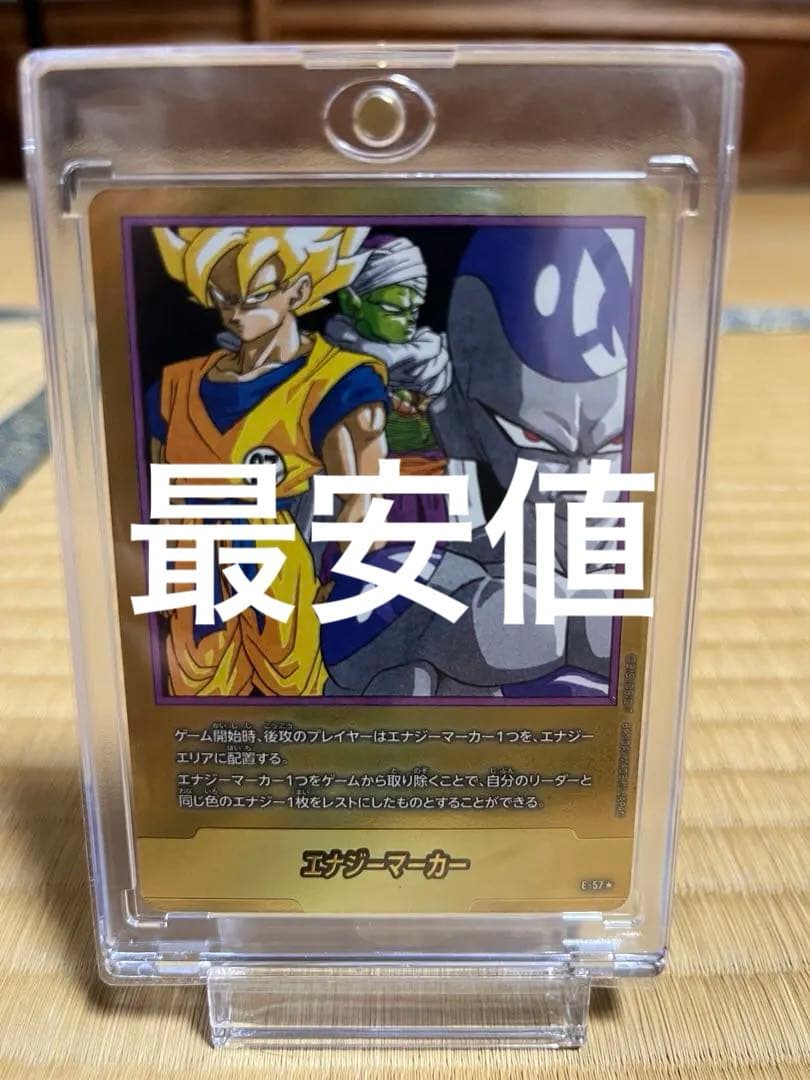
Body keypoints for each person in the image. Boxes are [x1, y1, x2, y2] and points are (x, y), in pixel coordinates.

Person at [146, 224, 388, 696]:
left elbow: (364, 502)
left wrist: (342, 579)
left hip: (278, 571)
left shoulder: (336, 382)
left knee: (293, 697)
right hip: (190, 572)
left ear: (298, 291)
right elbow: (157, 498)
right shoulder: (175, 388)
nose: (235, 313)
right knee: (197, 705)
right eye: (223, 298)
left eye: (254, 297)